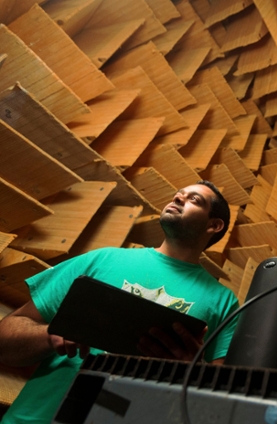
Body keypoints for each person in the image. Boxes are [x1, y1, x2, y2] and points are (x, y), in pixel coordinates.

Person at [0, 180, 239, 423]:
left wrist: (191, 372)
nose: (178, 199)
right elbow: (5, 337)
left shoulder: (223, 301)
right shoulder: (103, 259)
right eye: (178, 194)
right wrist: (52, 335)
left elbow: (219, 408)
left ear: (214, 225)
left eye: (194, 199)